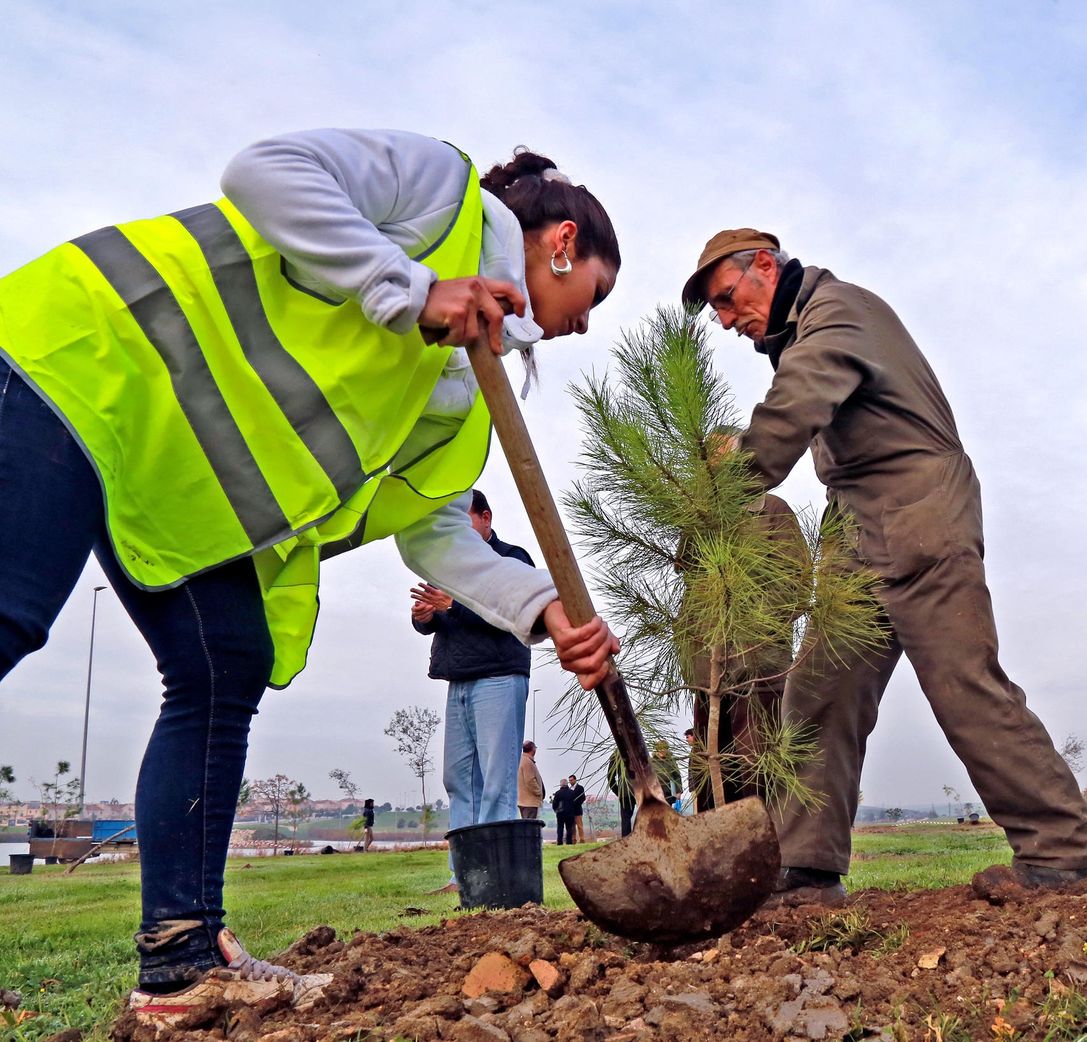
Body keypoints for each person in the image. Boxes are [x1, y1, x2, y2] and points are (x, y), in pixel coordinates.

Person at [0, 128, 622, 1023]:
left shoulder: (462, 391)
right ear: (561, 244)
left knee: (226, 665)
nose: (584, 323)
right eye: (592, 294)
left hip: (174, 482)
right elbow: (262, 173)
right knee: (12, 613)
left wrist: (544, 611)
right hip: (93, 352)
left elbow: (438, 536)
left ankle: (179, 961)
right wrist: (411, 289)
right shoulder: (441, 196)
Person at [682, 230, 1087, 905]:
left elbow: (793, 409)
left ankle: (1063, 856)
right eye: (719, 313)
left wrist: (719, 499)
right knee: (819, 694)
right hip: (858, 526)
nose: (729, 322)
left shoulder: (836, 313)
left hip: (917, 511)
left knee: (963, 685)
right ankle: (807, 865)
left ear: (766, 266)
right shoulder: (802, 332)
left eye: (729, 301)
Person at [410, 488, 536, 892]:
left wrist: (453, 606)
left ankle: (493, 875)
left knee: (497, 781)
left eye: (464, 523)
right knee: (458, 780)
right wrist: (426, 617)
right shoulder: (448, 568)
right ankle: (461, 875)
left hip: (499, 677)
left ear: (486, 518)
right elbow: (442, 623)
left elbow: (515, 615)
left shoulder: (511, 561)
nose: (458, 534)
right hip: (459, 680)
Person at [684, 428, 807, 807]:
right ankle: (711, 860)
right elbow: (689, 579)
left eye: (721, 459)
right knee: (709, 772)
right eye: (707, 463)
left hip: (758, 668)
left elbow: (796, 588)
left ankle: (767, 860)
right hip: (707, 672)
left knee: (756, 770)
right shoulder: (700, 519)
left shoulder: (772, 511)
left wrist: (748, 626)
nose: (713, 468)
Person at [610, 739, 682, 837]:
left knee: (646, 815)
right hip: (633, 791)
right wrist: (619, 792)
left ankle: (646, 835)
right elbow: (611, 777)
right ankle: (630, 838)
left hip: (645, 791)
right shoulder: (622, 755)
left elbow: (675, 775)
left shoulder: (640, 754)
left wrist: (678, 791)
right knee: (629, 817)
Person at [519, 741, 546, 820]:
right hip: (529, 802)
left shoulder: (524, 760)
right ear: (533, 749)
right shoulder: (527, 762)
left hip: (526, 801)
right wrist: (539, 792)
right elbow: (530, 781)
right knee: (530, 826)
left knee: (528, 825)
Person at [551, 777, 575, 845]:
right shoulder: (571, 793)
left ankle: (559, 842)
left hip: (560, 814)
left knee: (560, 828)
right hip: (570, 813)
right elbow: (575, 803)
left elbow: (554, 804)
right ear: (567, 784)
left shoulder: (558, 793)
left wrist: (556, 810)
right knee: (569, 828)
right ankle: (569, 842)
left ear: (561, 785)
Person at [568, 774, 588, 842]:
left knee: (580, 826)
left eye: (571, 780)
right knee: (572, 827)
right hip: (571, 811)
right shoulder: (569, 789)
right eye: (569, 781)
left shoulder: (580, 788)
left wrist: (577, 804)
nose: (570, 782)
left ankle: (582, 839)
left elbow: (583, 798)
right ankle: (573, 839)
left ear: (575, 780)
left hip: (578, 810)